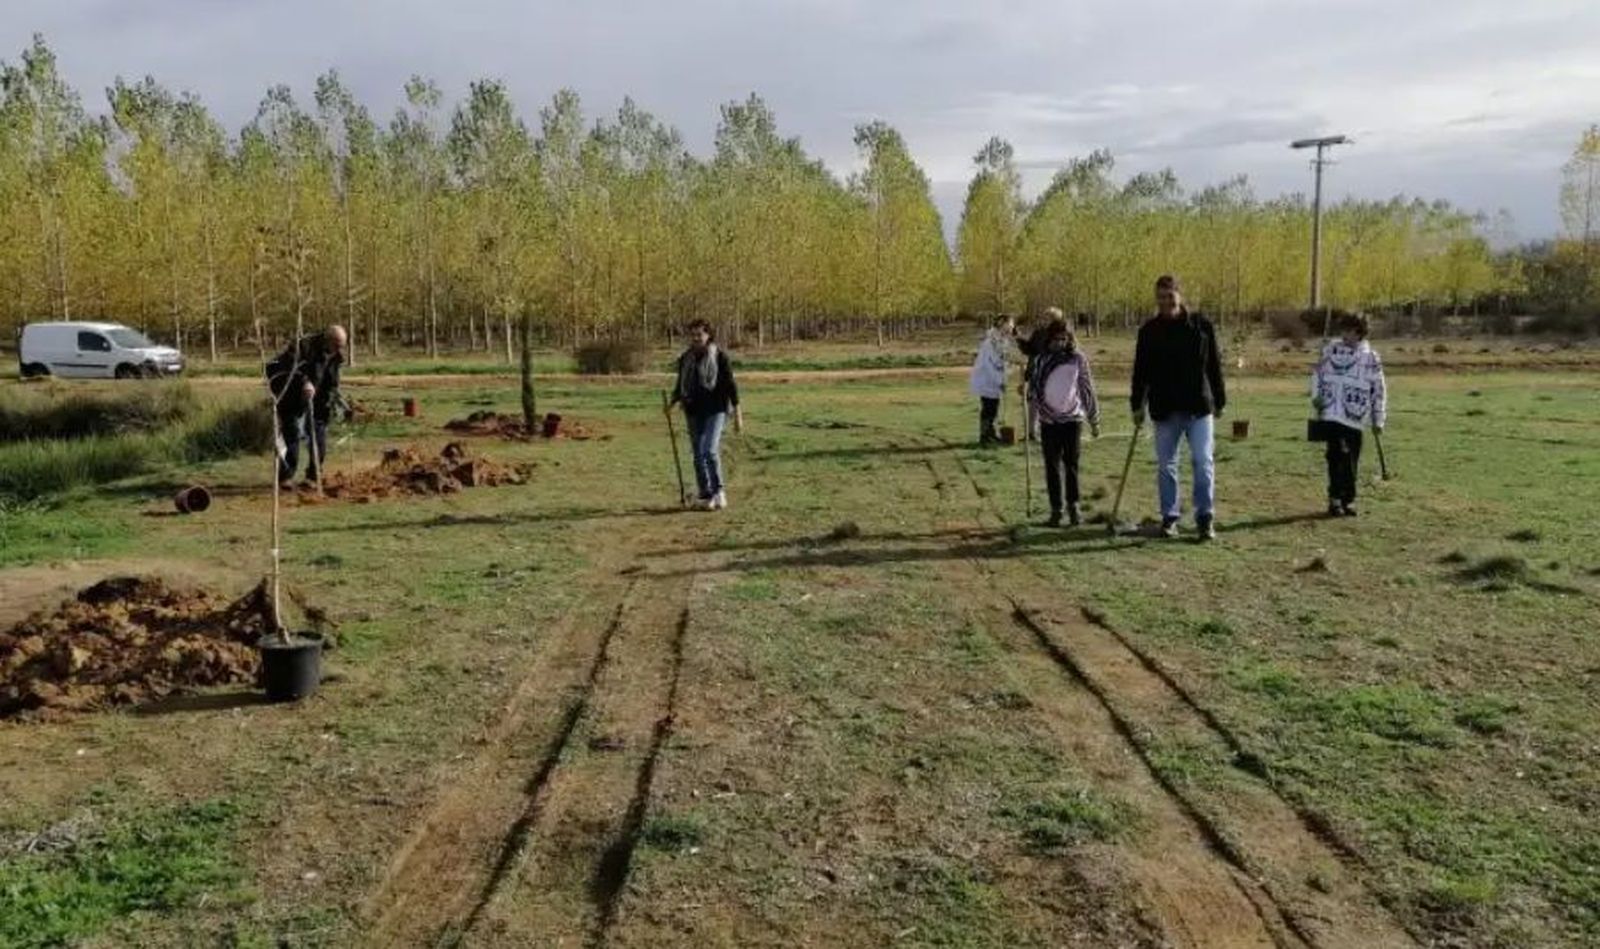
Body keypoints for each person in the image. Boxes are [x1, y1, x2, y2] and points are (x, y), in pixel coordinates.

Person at [1130, 275, 1226, 540]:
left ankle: (1205, 518)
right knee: (1166, 465)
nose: (1165, 302)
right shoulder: (1148, 331)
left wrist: (1220, 399)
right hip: (1165, 408)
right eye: (1160, 297)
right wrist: (1136, 404)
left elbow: (1214, 365)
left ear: (1179, 296)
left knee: (1202, 461)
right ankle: (1169, 518)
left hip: (1198, 406)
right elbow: (1140, 372)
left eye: (1169, 296)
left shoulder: (1201, 326)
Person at [1311, 311, 1387, 517]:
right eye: (1342, 329)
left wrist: (1378, 418)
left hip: (1355, 417)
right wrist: (1316, 398)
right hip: (1331, 414)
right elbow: (1317, 375)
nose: (1344, 334)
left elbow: (1378, 390)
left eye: (1349, 330)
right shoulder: (1330, 350)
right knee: (1335, 456)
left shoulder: (1370, 357)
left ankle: (1348, 499)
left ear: (1359, 332)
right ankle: (1334, 499)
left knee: (1350, 460)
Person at [1028, 317, 1100, 526]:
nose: (1060, 343)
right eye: (1056, 339)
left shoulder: (1077, 359)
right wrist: (1032, 422)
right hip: (1048, 421)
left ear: (1070, 339)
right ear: (1049, 339)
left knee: (1071, 465)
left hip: (1072, 419)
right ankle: (1056, 510)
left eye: (1064, 339)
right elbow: (1035, 390)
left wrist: (1094, 419)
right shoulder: (1042, 359)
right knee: (1052, 466)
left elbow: (1087, 389)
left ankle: (1074, 507)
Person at [668, 319, 743, 511]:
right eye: (692, 335)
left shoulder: (719, 357)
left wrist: (738, 414)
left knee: (709, 450)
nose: (696, 338)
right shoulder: (686, 358)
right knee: (697, 454)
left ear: (708, 335)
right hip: (693, 410)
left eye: (699, 334)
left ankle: (719, 491)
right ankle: (706, 494)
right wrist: (672, 402)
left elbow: (730, 386)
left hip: (716, 409)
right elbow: (680, 385)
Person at [266, 325, 347, 487]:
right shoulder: (303, 346)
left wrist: (338, 402)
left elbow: (332, 382)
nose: (338, 349)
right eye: (336, 345)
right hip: (291, 397)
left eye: (341, 346)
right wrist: (304, 382)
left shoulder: (336, 356)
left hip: (318, 401)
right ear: (328, 339)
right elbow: (286, 367)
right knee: (292, 436)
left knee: (319, 439)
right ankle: (285, 477)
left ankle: (312, 476)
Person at [969, 314, 1021, 446]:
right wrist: (999, 380)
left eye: (1011, 326)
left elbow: (1003, 361)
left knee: (994, 408)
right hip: (987, 380)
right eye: (1008, 325)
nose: (1010, 329)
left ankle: (990, 434)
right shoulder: (990, 343)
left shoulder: (1002, 341)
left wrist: (1007, 372)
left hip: (996, 380)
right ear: (1001, 324)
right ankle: (985, 436)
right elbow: (989, 364)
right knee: (988, 408)